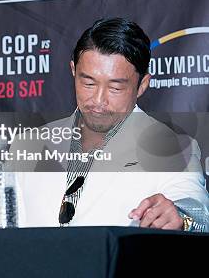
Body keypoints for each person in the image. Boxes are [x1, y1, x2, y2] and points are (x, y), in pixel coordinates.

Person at [12, 18, 208, 231]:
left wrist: (181, 217)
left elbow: (197, 211)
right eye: (88, 83)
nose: (98, 100)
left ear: (142, 85)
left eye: (115, 88)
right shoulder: (28, 145)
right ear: (73, 71)